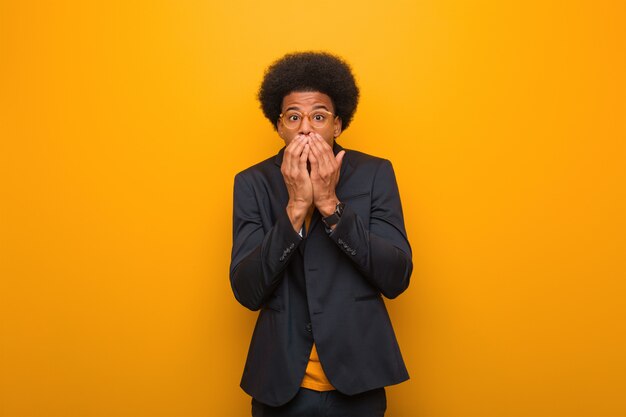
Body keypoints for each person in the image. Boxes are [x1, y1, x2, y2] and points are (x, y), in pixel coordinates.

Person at [229, 51, 413, 417]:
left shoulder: (375, 173)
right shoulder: (252, 183)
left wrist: (331, 205)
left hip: (358, 378)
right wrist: (296, 209)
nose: (306, 129)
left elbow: (397, 277)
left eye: (319, 116)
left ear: (337, 125)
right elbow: (247, 290)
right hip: (281, 382)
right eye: (293, 117)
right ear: (279, 126)